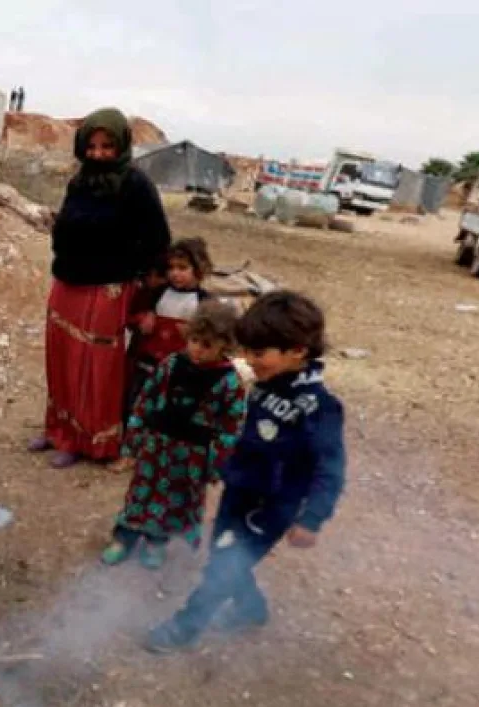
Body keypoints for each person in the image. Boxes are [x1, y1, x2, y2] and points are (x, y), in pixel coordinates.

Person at [144, 291, 347, 653]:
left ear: (297, 351)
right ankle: (251, 609)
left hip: (272, 507)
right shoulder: (266, 384)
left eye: (258, 353)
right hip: (239, 490)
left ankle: (184, 627)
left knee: (224, 564)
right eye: (248, 352)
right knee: (225, 555)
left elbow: (330, 468)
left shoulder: (319, 407)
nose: (249, 361)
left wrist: (312, 518)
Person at [29, 108, 172, 468]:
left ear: (121, 145)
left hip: (106, 288)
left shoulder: (136, 185)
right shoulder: (79, 181)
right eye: (91, 146)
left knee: (92, 367)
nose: (98, 154)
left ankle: (88, 441)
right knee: (60, 357)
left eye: (107, 146)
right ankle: (59, 429)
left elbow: (158, 242)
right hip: (68, 282)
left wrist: (144, 295)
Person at [103, 301, 248, 568]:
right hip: (156, 447)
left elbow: (231, 427)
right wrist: (133, 439)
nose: (197, 349)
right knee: (141, 494)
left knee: (173, 501)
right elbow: (145, 400)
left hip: (191, 457)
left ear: (225, 345)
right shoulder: (171, 364)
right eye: (194, 340)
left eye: (207, 345)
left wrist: (217, 463)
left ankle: (156, 542)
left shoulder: (230, 382)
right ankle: (123, 539)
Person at [126, 238, 215, 415]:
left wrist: (194, 333)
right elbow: (136, 315)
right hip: (147, 364)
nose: (175, 273)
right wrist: (146, 317)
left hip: (179, 369)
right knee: (135, 404)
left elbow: (211, 335)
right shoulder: (158, 293)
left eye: (182, 268)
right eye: (171, 268)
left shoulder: (205, 302)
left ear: (199, 270)